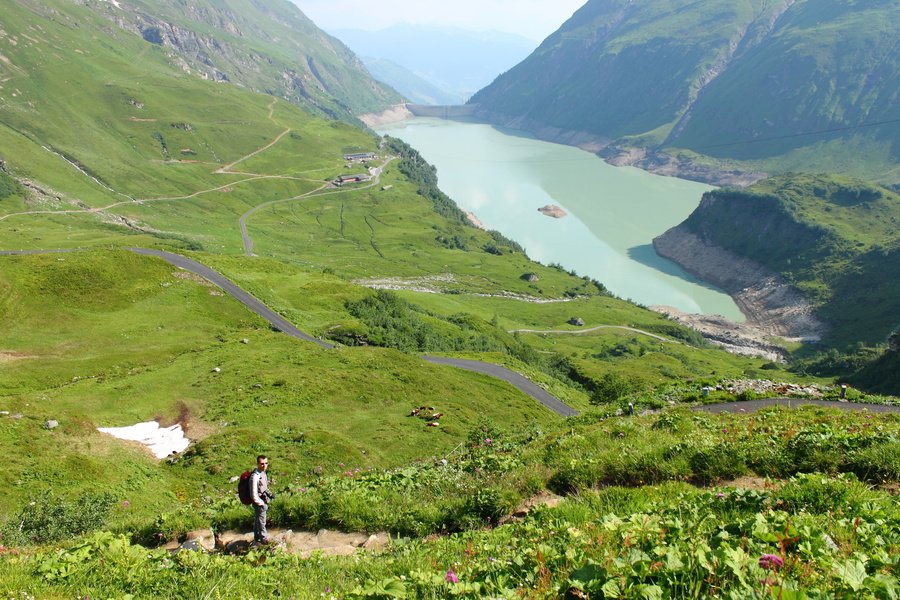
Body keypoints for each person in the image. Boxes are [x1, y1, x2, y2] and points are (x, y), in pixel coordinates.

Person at [249, 455, 272, 545]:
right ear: (257, 464)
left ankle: (257, 537)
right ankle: (264, 538)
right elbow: (253, 494)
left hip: (264, 500)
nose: (264, 465)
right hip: (259, 502)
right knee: (262, 520)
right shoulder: (255, 476)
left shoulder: (263, 473)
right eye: (262, 464)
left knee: (258, 519)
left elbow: (264, 487)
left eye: (266, 463)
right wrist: (261, 503)